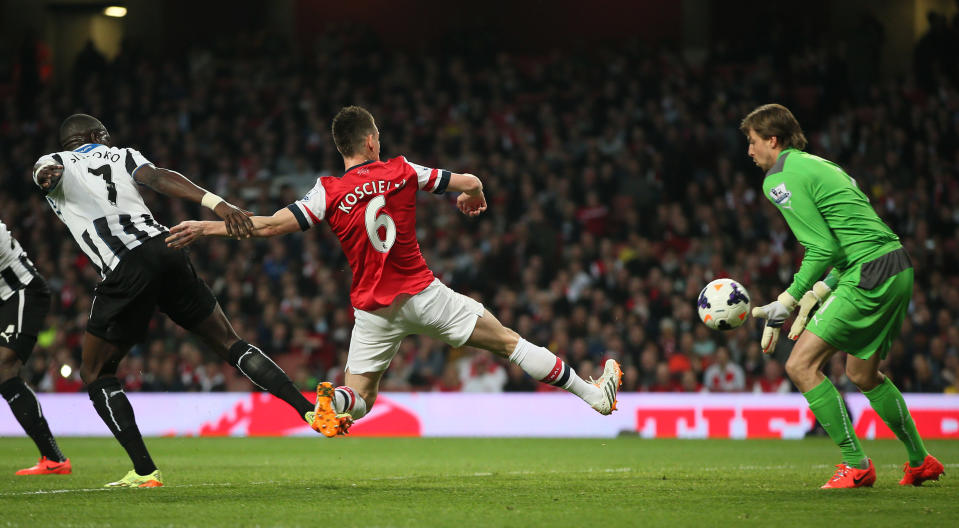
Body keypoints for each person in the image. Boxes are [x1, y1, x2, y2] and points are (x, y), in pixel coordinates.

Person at [167, 105, 622, 436]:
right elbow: (468, 181)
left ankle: (334, 402)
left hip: (372, 311)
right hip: (423, 294)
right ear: (370, 141)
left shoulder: (326, 192)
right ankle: (594, 397)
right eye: (377, 136)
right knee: (508, 342)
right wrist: (474, 195)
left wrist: (208, 227)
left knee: (359, 398)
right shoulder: (402, 170)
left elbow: (267, 226)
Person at [32, 114, 324, 488]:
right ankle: (309, 411)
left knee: (96, 372)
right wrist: (218, 204)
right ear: (91, 136)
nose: (108, 140)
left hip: (124, 264)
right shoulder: (122, 155)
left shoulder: (53, 160)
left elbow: (46, 173)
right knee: (229, 342)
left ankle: (144, 471)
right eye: (103, 135)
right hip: (166, 247)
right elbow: (156, 177)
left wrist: (48, 179)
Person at [742, 103, 944, 489]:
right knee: (862, 374)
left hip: (868, 270)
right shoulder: (818, 165)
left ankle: (856, 464)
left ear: (772, 140)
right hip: (897, 265)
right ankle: (920, 461)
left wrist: (788, 299)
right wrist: (817, 292)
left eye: (752, 142)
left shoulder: (779, 178)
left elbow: (824, 248)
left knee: (800, 366)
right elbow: (847, 239)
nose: (749, 152)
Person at [0, 219, 71, 476]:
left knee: (4, 367)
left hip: (21, 292)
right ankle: (53, 458)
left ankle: (54, 458)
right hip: (4, 299)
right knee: (4, 376)